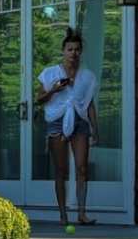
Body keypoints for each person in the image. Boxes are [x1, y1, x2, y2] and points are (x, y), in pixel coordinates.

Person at [35, 28, 99, 227]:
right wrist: (54, 89)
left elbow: (89, 103)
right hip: (57, 120)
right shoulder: (50, 73)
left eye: (77, 49)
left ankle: (82, 212)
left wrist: (95, 128)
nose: (73, 53)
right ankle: (63, 214)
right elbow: (39, 99)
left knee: (81, 167)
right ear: (63, 51)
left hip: (79, 121)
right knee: (60, 169)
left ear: (81, 52)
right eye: (70, 49)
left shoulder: (87, 77)